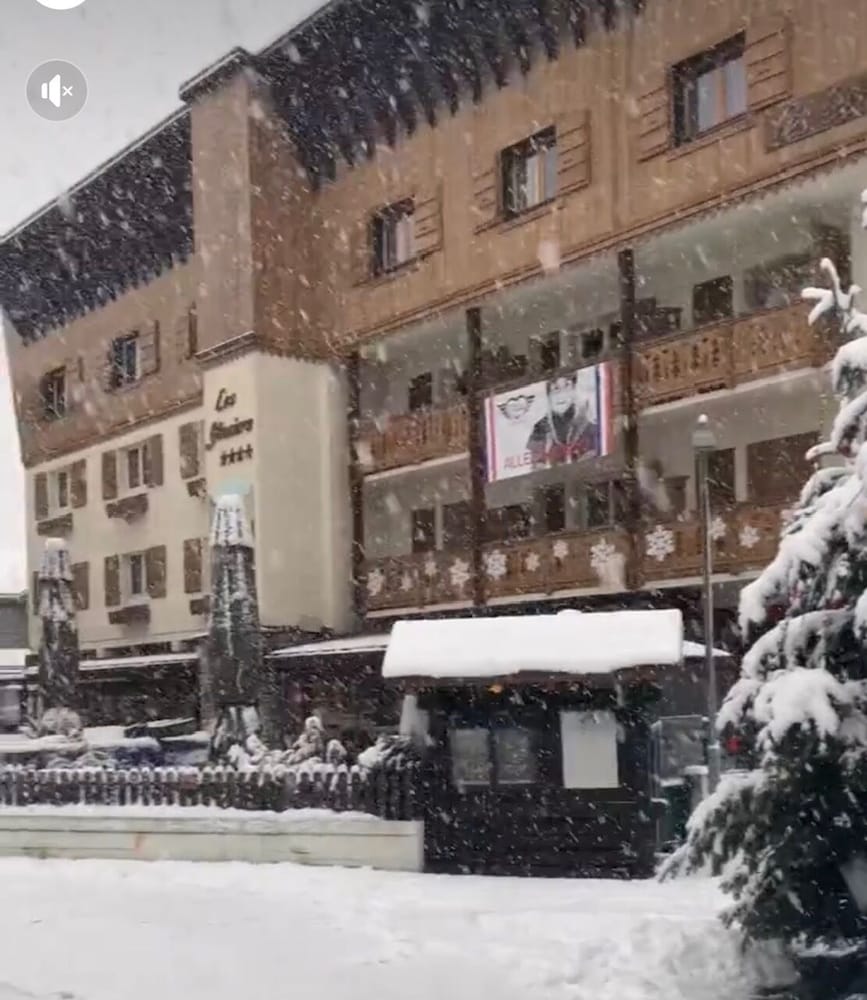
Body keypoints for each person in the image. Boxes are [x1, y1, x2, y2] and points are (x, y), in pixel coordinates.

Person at [526, 373, 598, 469]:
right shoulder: (540, 428)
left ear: (574, 390)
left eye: (567, 386)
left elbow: (596, 452)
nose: (561, 394)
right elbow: (537, 465)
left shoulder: (587, 420)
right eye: (555, 389)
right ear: (548, 394)